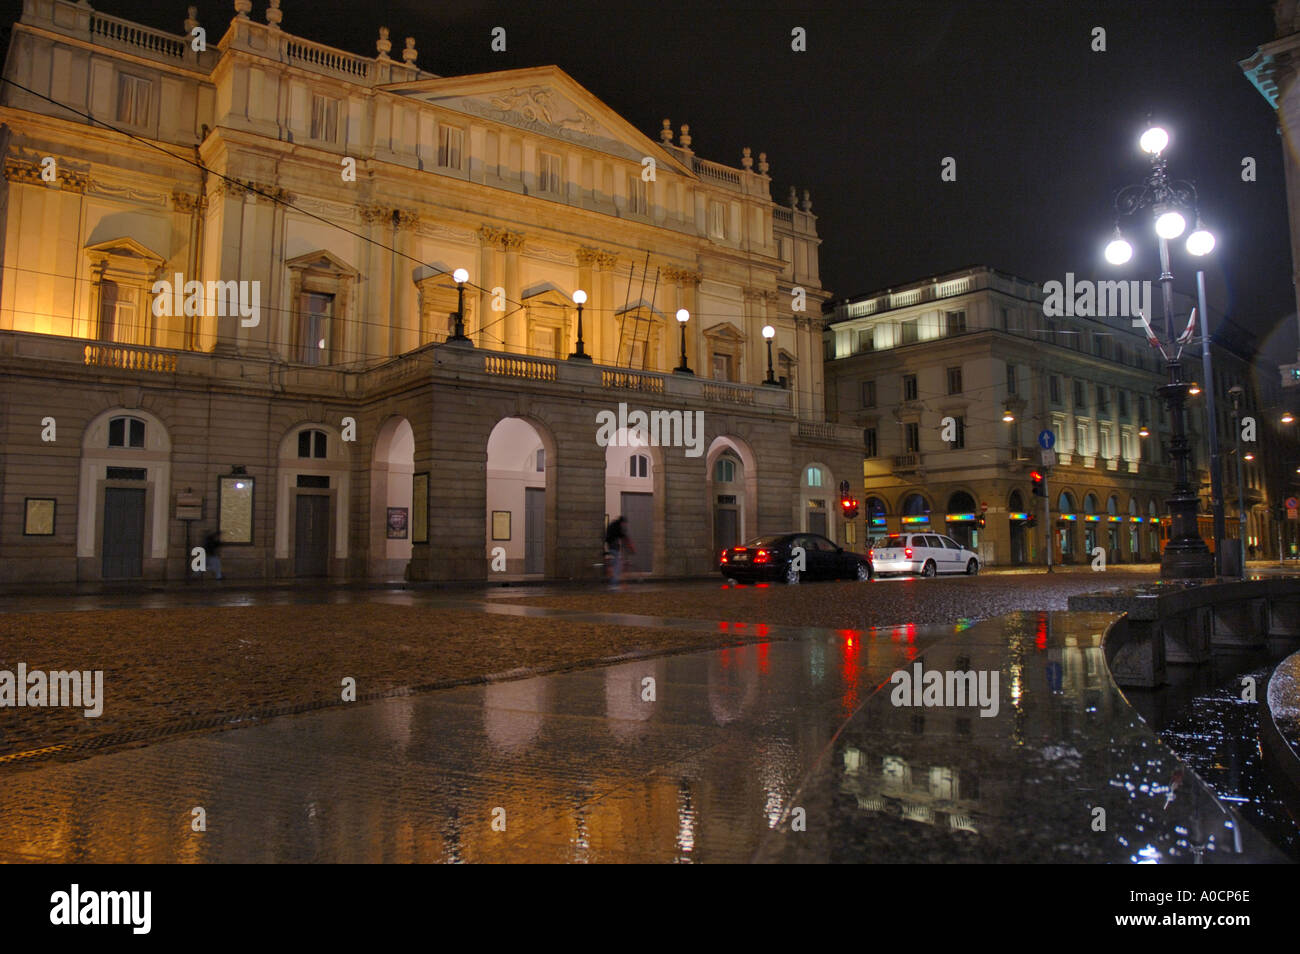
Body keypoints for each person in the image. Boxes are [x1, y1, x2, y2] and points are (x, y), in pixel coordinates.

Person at [604, 516, 635, 589]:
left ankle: (613, 581)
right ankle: (614, 584)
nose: (624, 525)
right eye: (624, 524)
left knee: (615, 564)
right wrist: (630, 547)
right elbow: (623, 537)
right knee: (617, 566)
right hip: (613, 547)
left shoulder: (614, 525)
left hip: (610, 546)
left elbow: (622, 537)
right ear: (622, 522)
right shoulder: (617, 527)